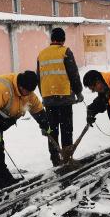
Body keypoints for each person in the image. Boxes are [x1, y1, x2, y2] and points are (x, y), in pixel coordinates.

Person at [0, 71, 51, 192]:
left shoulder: (28, 92)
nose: (28, 94)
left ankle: (5, 179)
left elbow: (37, 108)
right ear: (20, 86)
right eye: (27, 91)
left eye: (30, 91)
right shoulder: (1, 88)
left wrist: (45, 124)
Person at [37, 27, 84, 166]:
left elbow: (39, 78)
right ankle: (67, 158)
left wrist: (44, 95)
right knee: (66, 128)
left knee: (52, 130)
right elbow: (73, 74)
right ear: (63, 40)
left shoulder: (41, 54)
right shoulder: (65, 52)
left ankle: (55, 159)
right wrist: (78, 91)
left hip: (48, 98)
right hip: (64, 97)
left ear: (52, 39)